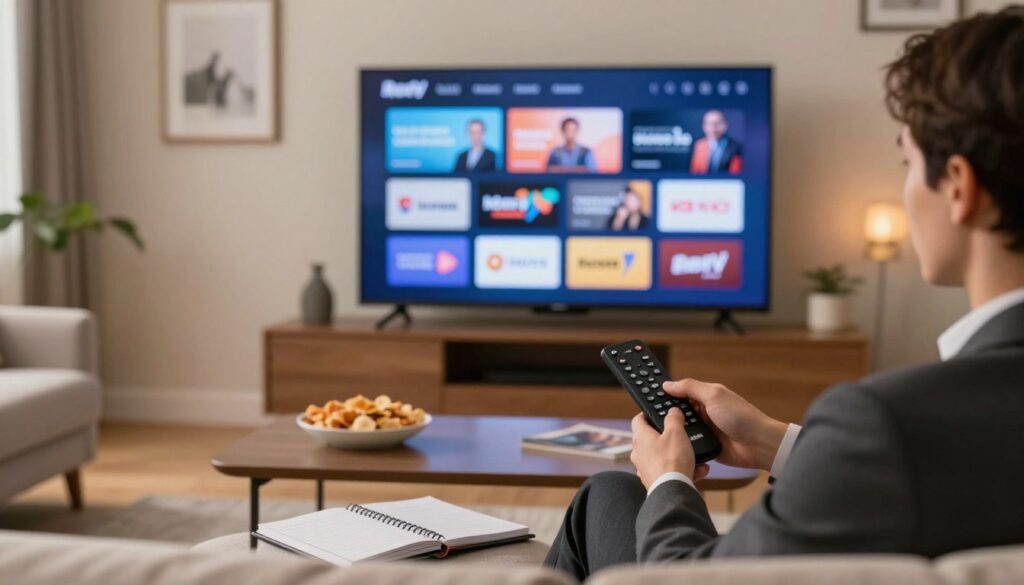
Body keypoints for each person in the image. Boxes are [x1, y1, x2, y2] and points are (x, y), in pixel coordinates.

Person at [545, 7, 1024, 580]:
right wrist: (782, 444)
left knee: (608, 493)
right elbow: (956, 477)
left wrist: (669, 479)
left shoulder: (885, 420)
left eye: (907, 161)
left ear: (958, 188)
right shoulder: (917, 426)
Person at [689, 110, 743, 174]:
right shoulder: (699, 145)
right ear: (704, 126)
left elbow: (735, 174)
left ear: (725, 125)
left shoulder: (735, 147)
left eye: (717, 123)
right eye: (709, 124)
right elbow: (694, 172)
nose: (713, 128)